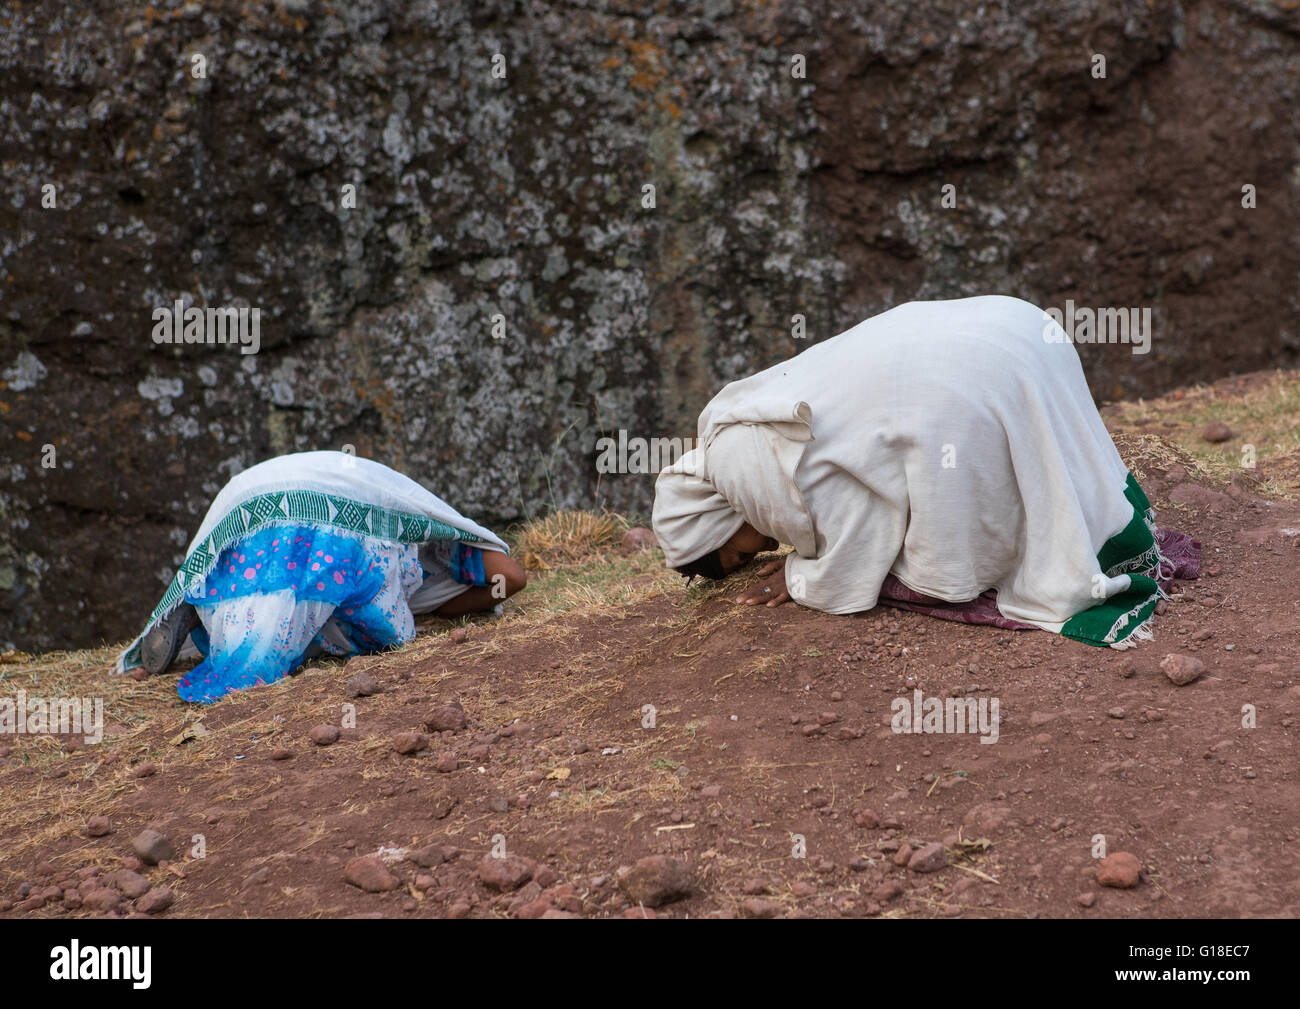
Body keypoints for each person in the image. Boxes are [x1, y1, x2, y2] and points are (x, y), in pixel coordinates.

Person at [652, 295, 1199, 648]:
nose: (767, 552)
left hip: (974, 375)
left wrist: (802, 577)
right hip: (1020, 326)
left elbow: (861, 541)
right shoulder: (736, 422)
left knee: (935, 572)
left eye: (744, 552)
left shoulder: (748, 467)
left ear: (722, 516)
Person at [117, 451, 526, 702]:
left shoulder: (412, 519)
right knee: (274, 651)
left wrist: (430, 605)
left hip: (247, 499)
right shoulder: (402, 560)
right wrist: (432, 610)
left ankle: (197, 595)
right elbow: (510, 578)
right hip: (313, 521)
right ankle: (200, 603)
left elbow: (507, 578)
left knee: (281, 617)